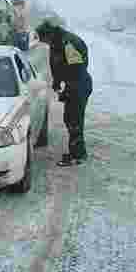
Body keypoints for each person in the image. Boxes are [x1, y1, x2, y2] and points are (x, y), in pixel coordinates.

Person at [35, 19, 93, 166]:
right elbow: (57, 65)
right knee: (70, 119)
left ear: (48, 35)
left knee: (74, 120)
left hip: (79, 85)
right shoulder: (56, 43)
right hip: (73, 84)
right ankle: (76, 152)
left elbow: (76, 69)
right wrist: (56, 81)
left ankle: (78, 155)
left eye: (44, 40)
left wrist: (69, 89)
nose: (45, 44)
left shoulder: (68, 44)